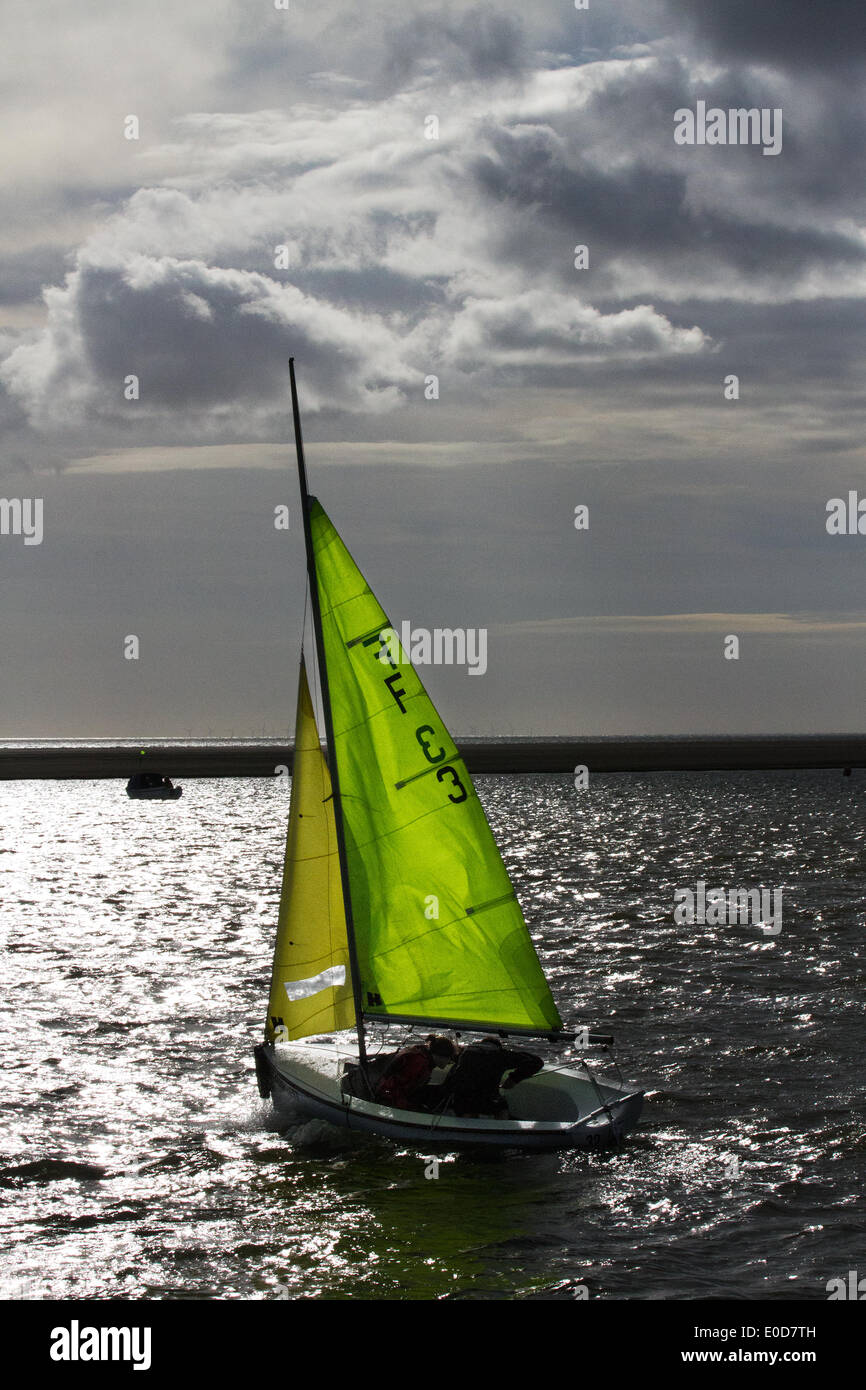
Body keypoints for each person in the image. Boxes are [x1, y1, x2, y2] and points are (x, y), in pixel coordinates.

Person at [444, 1037, 543, 1117]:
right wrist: (513, 1079)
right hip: (486, 1099)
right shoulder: (501, 1055)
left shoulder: (465, 1053)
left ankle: (466, 1120)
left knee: (467, 1101)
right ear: (498, 1047)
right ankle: (502, 1129)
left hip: (460, 1100)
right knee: (502, 1105)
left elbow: (453, 1077)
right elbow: (536, 1062)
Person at [373, 1035, 459, 1111]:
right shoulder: (418, 1062)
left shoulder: (423, 1056)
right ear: (440, 1055)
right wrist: (410, 1108)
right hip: (389, 1099)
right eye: (449, 1058)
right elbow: (400, 1087)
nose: (449, 1062)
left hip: (394, 1095)